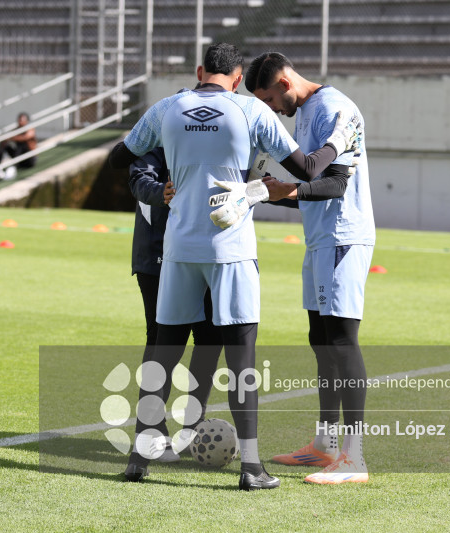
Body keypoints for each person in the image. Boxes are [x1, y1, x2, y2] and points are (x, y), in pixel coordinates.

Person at [106, 42, 359, 491]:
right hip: (231, 248)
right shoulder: (251, 113)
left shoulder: (167, 107)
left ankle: (139, 457)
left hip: (179, 245)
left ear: (200, 70)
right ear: (239, 78)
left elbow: (118, 158)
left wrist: (171, 182)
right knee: (241, 356)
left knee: (164, 349)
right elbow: (306, 167)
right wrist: (339, 140)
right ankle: (251, 467)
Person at [244, 52, 376, 485]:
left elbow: (336, 182)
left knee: (341, 339)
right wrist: (274, 190)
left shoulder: (336, 109)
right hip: (320, 238)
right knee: (320, 338)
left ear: (284, 82)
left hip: (343, 236)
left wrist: (287, 191)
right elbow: (309, 184)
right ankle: (325, 444)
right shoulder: (306, 111)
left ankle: (354, 458)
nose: (270, 110)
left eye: (268, 99)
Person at [127, 145, 223, 462]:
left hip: (205, 253)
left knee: (210, 338)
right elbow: (139, 178)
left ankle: (192, 429)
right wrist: (161, 190)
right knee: (161, 340)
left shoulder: (212, 140)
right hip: (156, 256)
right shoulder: (156, 143)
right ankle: (150, 432)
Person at [0, 112, 37, 181]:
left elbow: (25, 137)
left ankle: (13, 169)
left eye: (22, 120)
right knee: (4, 144)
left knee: (22, 145)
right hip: (19, 159)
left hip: (29, 160)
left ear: (26, 121)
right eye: (19, 120)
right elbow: (9, 137)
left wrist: (11, 137)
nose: (20, 122)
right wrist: (5, 140)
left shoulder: (30, 129)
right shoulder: (16, 130)